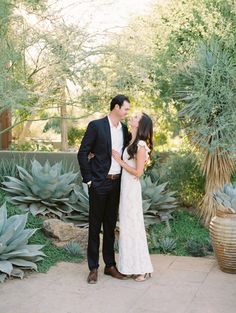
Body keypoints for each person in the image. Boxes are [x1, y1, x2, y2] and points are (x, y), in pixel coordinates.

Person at [77, 94, 130, 284]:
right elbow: (83, 152)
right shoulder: (96, 126)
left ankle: (110, 265)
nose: (127, 112)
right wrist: (88, 179)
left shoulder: (124, 130)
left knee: (109, 226)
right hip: (99, 183)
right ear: (116, 107)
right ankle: (93, 268)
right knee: (95, 226)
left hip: (117, 184)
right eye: (125, 108)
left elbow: (131, 151)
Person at [112, 112, 154, 282]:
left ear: (140, 124)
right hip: (125, 188)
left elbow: (139, 172)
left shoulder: (141, 145)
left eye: (136, 117)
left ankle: (142, 268)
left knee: (134, 226)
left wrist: (120, 162)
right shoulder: (130, 140)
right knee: (127, 227)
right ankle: (130, 266)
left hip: (132, 190)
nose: (132, 117)